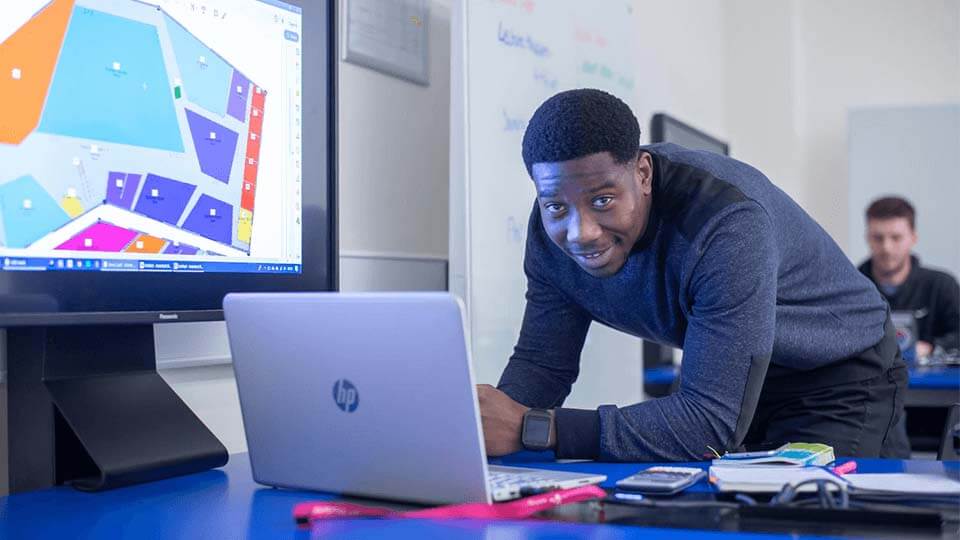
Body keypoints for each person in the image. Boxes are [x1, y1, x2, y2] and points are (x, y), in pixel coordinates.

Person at [477, 89, 910, 461]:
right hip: (735, 371)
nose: (580, 232)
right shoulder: (550, 232)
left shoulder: (725, 223)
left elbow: (708, 422)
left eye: (604, 200)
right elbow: (543, 365)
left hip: (837, 373)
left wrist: (533, 429)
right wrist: (484, 433)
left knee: (805, 518)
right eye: (556, 206)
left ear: (642, 174)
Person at [859, 196, 960, 358]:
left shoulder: (942, 286)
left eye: (896, 238)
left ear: (913, 238)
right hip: (868, 381)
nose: (887, 248)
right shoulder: (851, 288)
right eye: (878, 238)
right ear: (867, 238)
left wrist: (931, 348)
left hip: (933, 382)